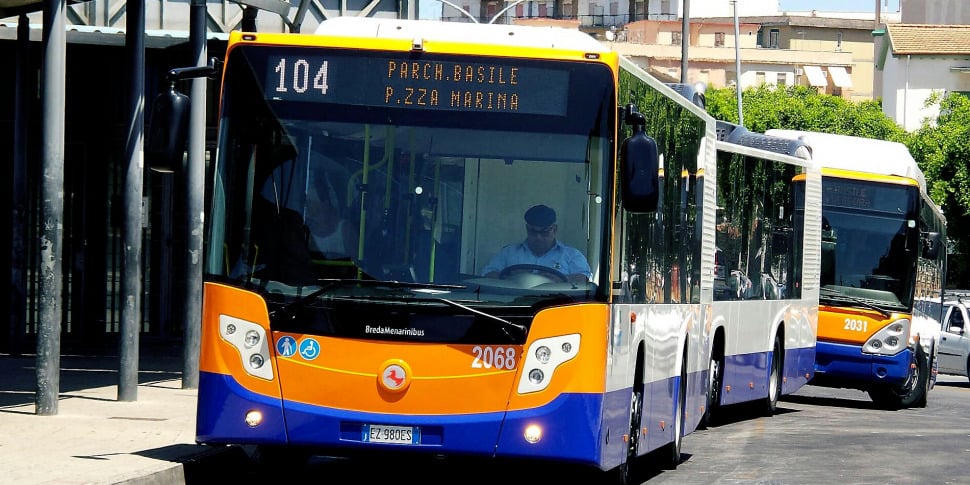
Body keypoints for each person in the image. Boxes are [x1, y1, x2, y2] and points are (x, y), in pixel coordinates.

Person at [482, 204, 592, 284]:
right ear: (526, 228)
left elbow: (585, 280)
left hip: (557, 307)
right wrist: (509, 277)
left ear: (554, 229)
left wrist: (562, 279)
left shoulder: (572, 255)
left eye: (544, 232)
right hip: (513, 305)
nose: (538, 237)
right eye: (533, 232)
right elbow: (487, 275)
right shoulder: (508, 252)